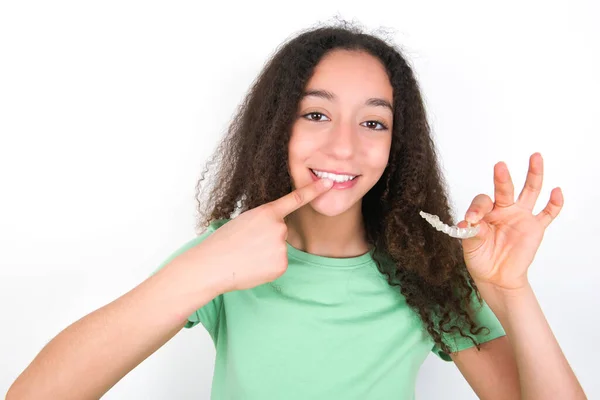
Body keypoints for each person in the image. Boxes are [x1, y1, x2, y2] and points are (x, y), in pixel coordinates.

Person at [7, 22, 586, 400]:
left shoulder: (426, 274)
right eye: (315, 114)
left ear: (396, 147)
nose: (344, 146)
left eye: (373, 122)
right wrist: (203, 269)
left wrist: (511, 291)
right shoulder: (225, 255)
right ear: (274, 128)